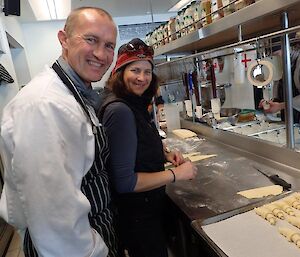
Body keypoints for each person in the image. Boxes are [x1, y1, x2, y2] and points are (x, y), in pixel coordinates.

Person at [0, 7, 118, 257]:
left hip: (90, 232)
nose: (101, 54)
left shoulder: (76, 93)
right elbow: (52, 213)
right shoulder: (45, 105)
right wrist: (94, 251)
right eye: (91, 39)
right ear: (63, 39)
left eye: (109, 46)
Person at [98, 38, 197, 257]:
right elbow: (125, 182)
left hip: (143, 211)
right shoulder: (120, 111)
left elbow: (134, 142)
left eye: (147, 71)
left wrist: (165, 153)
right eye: (135, 70)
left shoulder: (133, 102)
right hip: (137, 216)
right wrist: (175, 174)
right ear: (120, 72)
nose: (142, 78)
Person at [259, 44, 300, 122]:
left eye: (276, 55)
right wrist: (270, 103)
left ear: (288, 49)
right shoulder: (281, 66)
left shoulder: (298, 63)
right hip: (288, 120)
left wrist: (280, 106)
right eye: (271, 56)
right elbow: (279, 93)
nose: (274, 59)